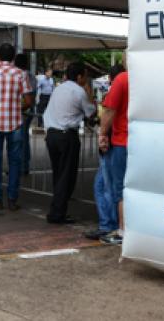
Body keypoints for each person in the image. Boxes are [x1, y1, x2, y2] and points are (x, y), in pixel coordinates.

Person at [42, 62, 95, 224]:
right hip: (66, 136)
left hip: (52, 134)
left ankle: (56, 210)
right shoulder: (79, 91)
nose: (86, 79)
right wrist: (89, 93)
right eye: (85, 76)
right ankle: (57, 213)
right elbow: (90, 112)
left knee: (58, 174)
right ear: (79, 76)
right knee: (67, 176)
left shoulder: (58, 88)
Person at [0, 43, 33, 211]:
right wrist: (15, 108)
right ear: (13, 57)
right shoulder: (21, 74)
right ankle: (12, 199)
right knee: (15, 162)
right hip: (15, 123)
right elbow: (29, 101)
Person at [84, 64, 124, 241]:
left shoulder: (116, 88)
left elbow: (108, 113)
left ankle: (109, 225)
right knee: (112, 187)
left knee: (104, 186)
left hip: (114, 143)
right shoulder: (134, 89)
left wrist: (102, 136)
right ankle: (112, 224)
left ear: (110, 79)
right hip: (121, 143)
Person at [99, 55, 128, 245]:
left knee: (121, 188)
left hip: (122, 141)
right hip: (146, 141)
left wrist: (102, 134)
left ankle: (122, 230)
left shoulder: (123, 79)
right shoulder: (149, 78)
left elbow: (109, 110)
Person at [15, 54, 37, 175]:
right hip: (25, 110)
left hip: (23, 111)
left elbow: (29, 97)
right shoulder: (31, 76)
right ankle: (21, 165)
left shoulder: (23, 76)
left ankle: (23, 166)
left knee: (21, 139)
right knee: (22, 139)